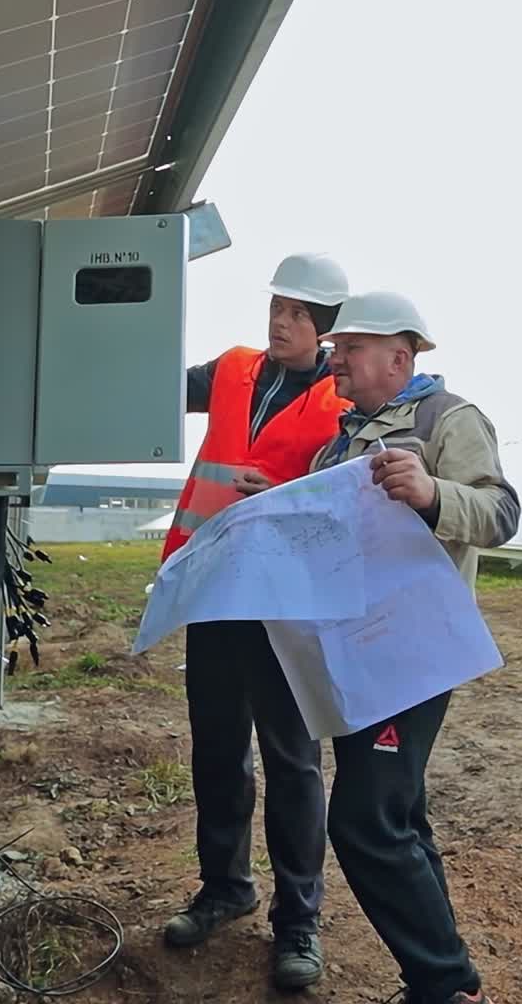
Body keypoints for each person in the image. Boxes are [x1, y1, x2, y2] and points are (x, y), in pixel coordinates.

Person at [312, 290, 520, 1004]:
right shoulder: (336, 442)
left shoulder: (447, 419)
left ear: (399, 357)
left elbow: (500, 513)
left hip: (416, 651)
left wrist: (432, 494)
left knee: (365, 820)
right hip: (355, 650)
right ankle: (443, 982)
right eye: (336, 349)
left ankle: (446, 984)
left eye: (349, 349)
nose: (333, 360)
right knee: (397, 814)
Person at [161, 253, 351, 990]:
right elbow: (156, 384)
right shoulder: (235, 369)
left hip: (286, 601)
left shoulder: (346, 401)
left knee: (293, 761)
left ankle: (298, 920)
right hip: (215, 588)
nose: (281, 321)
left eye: (299, 312)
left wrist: (289, 486)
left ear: (326, 327)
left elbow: (349, 495)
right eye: (277, 305)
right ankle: (224, 888)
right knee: (215, 746)